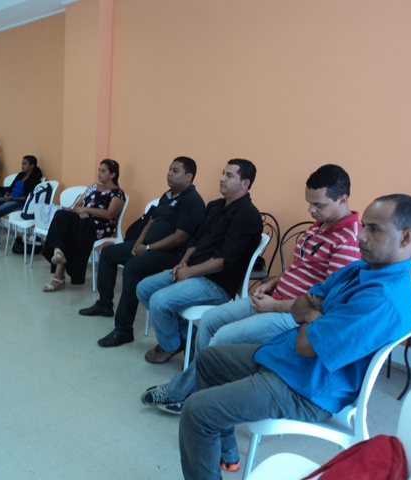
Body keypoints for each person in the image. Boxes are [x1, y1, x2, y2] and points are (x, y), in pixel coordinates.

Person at [178, 194, 411, 480]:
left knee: (196, 411)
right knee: (208, 359)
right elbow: (304, 301)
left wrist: (311, 311)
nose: (360, 236)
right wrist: (313, 313)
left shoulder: (383, 298)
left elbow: (306, 344)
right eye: (364, 226)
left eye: (374, 229)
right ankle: (226, 450)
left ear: (406, 237)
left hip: (308, 387)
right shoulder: (360, 268)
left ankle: (211, 435)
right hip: (286, 359)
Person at [142, 164, 362, 418]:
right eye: (309, 203)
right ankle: (198, 389)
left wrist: (274, 305)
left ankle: (181, 392)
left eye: (318, 205)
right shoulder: (320, 224)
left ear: (342, 199)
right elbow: (302, 268)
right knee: (210, 320)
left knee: (222, 338)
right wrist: (275, 281)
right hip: (272, 298)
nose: (311, 210)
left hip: (292, 315)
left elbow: (324, 302)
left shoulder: (349, 242)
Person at [136, 159, 263, 364]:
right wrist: (184, 263)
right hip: (194, 270)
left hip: (216, 283)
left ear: (245, 183)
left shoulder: (247, 215)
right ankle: (186, 338)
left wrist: (189, 272)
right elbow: (195, 239)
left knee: (159, 301)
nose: (221, 178)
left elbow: (223, 261)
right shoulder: (215, 206)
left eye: (229, 175)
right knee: (144, 288)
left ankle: (170, 345)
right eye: (223, 173)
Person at [79, 157, 206, 347]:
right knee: (108, 254)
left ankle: (123, 330)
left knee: (132, 268)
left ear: (188, 176)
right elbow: (151, 222)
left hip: (172, 254)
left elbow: (180, 237)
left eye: (175, 171)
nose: (169, 173)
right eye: (169, 169)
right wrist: (138, 243)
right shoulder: (168, 195)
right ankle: (104, 305)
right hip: (148, 245)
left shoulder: (192, 201)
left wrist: (147, 248)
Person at [42, 159, 126, 291]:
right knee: (60, 215)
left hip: (99, 226)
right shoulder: (93, 187)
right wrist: (80, 211)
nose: (99, 173)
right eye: (99, 170)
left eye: (103, 171)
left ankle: (59, 276)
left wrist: (86, 209)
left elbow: (109, 214)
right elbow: (77, 205)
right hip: (82, 220)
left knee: (72, 229)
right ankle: (58, 252)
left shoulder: (118, 193)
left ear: (112, 174)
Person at [0, 155, 43, 248]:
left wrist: (13, 198)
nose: (22, 165)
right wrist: (6, 194)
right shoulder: (20, 175)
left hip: (19, 202)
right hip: (10, 198)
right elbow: (11, 187)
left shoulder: (35, 179)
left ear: (31, 166)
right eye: (22, 163)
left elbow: (28, 197)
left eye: (25, 164)